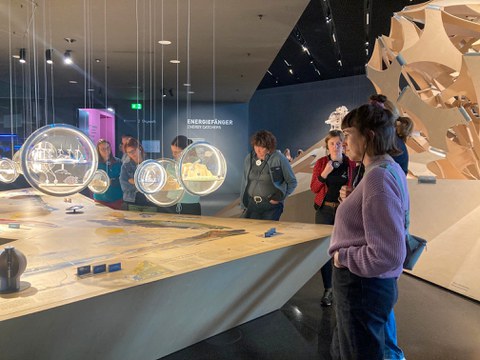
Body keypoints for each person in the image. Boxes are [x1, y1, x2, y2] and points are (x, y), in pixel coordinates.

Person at [328, 104, 408, 360]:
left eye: (349, 133)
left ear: (369, 136)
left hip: (361, 284)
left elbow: (387, 254)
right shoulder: (387, 168)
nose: (344, 141)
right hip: (369, 285)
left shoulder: (377, 178)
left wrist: (343, 258)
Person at [310, 130, 357, 307]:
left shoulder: (351, 164)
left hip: (343, 212)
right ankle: (328, 289)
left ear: (343, 145)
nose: (336, 147)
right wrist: (325, 172)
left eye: (339, 144)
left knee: (343, 250)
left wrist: (350, 194)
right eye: (332, 144)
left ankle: (342, 288)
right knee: (324, 251)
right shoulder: (322, 162)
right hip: (324, 211)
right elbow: (314, 188)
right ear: (327, 146)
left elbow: (357, 186)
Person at [240, 130, 297, 221]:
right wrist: (243, 205)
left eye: (262, 147)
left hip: (271, 206)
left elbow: (292, 182)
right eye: (256, 146)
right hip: (252, 204)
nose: (258, 150)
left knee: (265, 233)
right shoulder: (249, 158)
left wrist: (280, 197)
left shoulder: (279, 158)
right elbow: (244, 182)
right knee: (251, 233)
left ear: (269, 147)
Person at [163, 135, 201, 215]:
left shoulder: (198, 164)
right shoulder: (171, 164)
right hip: (172, 203)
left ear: (186, 151)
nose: (173, 154)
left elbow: (198, 186)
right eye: (172, 152)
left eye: (176, 152)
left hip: (190, 205)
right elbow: (168, 184)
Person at [119, 137, 151, 209]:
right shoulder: (126, 166)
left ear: (139, 148)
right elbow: (124, 186)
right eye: (129, 152)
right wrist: (143, 184)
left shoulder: (150, 163)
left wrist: (135, 182)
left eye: (133, 150)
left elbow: (154, 184)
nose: (132, 154)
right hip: (131, 201)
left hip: (149, 201)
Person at [93, 139, 123, 209]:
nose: (106, 150)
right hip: (100, 199)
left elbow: (124, 179)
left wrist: (113, 181)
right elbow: (92, 181)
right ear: (98, 150)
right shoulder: (95, 164)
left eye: (107, 148)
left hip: (117, 199)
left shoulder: (118, 162)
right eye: (103, 149)